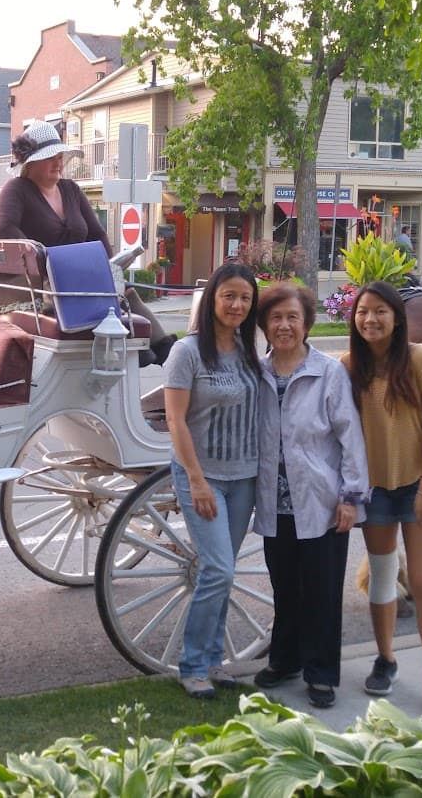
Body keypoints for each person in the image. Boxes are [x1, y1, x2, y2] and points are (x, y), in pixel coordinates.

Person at [251, 282, 369, 708]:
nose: (284, 326)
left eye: (292, 318)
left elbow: (350, 437)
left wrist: (351, 497)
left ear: (306, 325)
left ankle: (321, 673)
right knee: (284, 588)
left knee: (321, 591)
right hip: (275, 504)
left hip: (322, 502)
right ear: (264, 325)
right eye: (276, 318)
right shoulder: (257, 373)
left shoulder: (328, 372)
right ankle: (285, 660)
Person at [345, 281, 422, 721]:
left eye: (379, 312)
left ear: (396, 317)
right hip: (375, 491)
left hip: (419, 486)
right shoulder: (350, 367)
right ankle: (386, 658)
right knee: (383, 578)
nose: (370, 319)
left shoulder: (420, 359)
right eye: (362, 312)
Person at [0, 120, 175, 364]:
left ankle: (164, 351)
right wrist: (38, 257)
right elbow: (4, 227)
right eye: (51, 158)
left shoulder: (70, 190)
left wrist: (110, 269)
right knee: (100, 294)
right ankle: (138, 348)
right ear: (31, 163)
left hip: (76, 276)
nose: (58, 163)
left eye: (60, 156)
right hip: (38, 282)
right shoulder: (16, 190)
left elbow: (96, 235)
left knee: (123, 291)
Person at [161, 262, 261, 698]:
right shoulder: (186, 353)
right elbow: (175, 421)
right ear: (212, 301)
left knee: (224, 571)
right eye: (228, 296)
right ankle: (193, 664)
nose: (237, 305)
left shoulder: (248, 348)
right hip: (202, 477)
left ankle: (214, 659)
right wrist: (197, 481)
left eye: (244, 298)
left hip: (244, 477)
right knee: (218, 568)